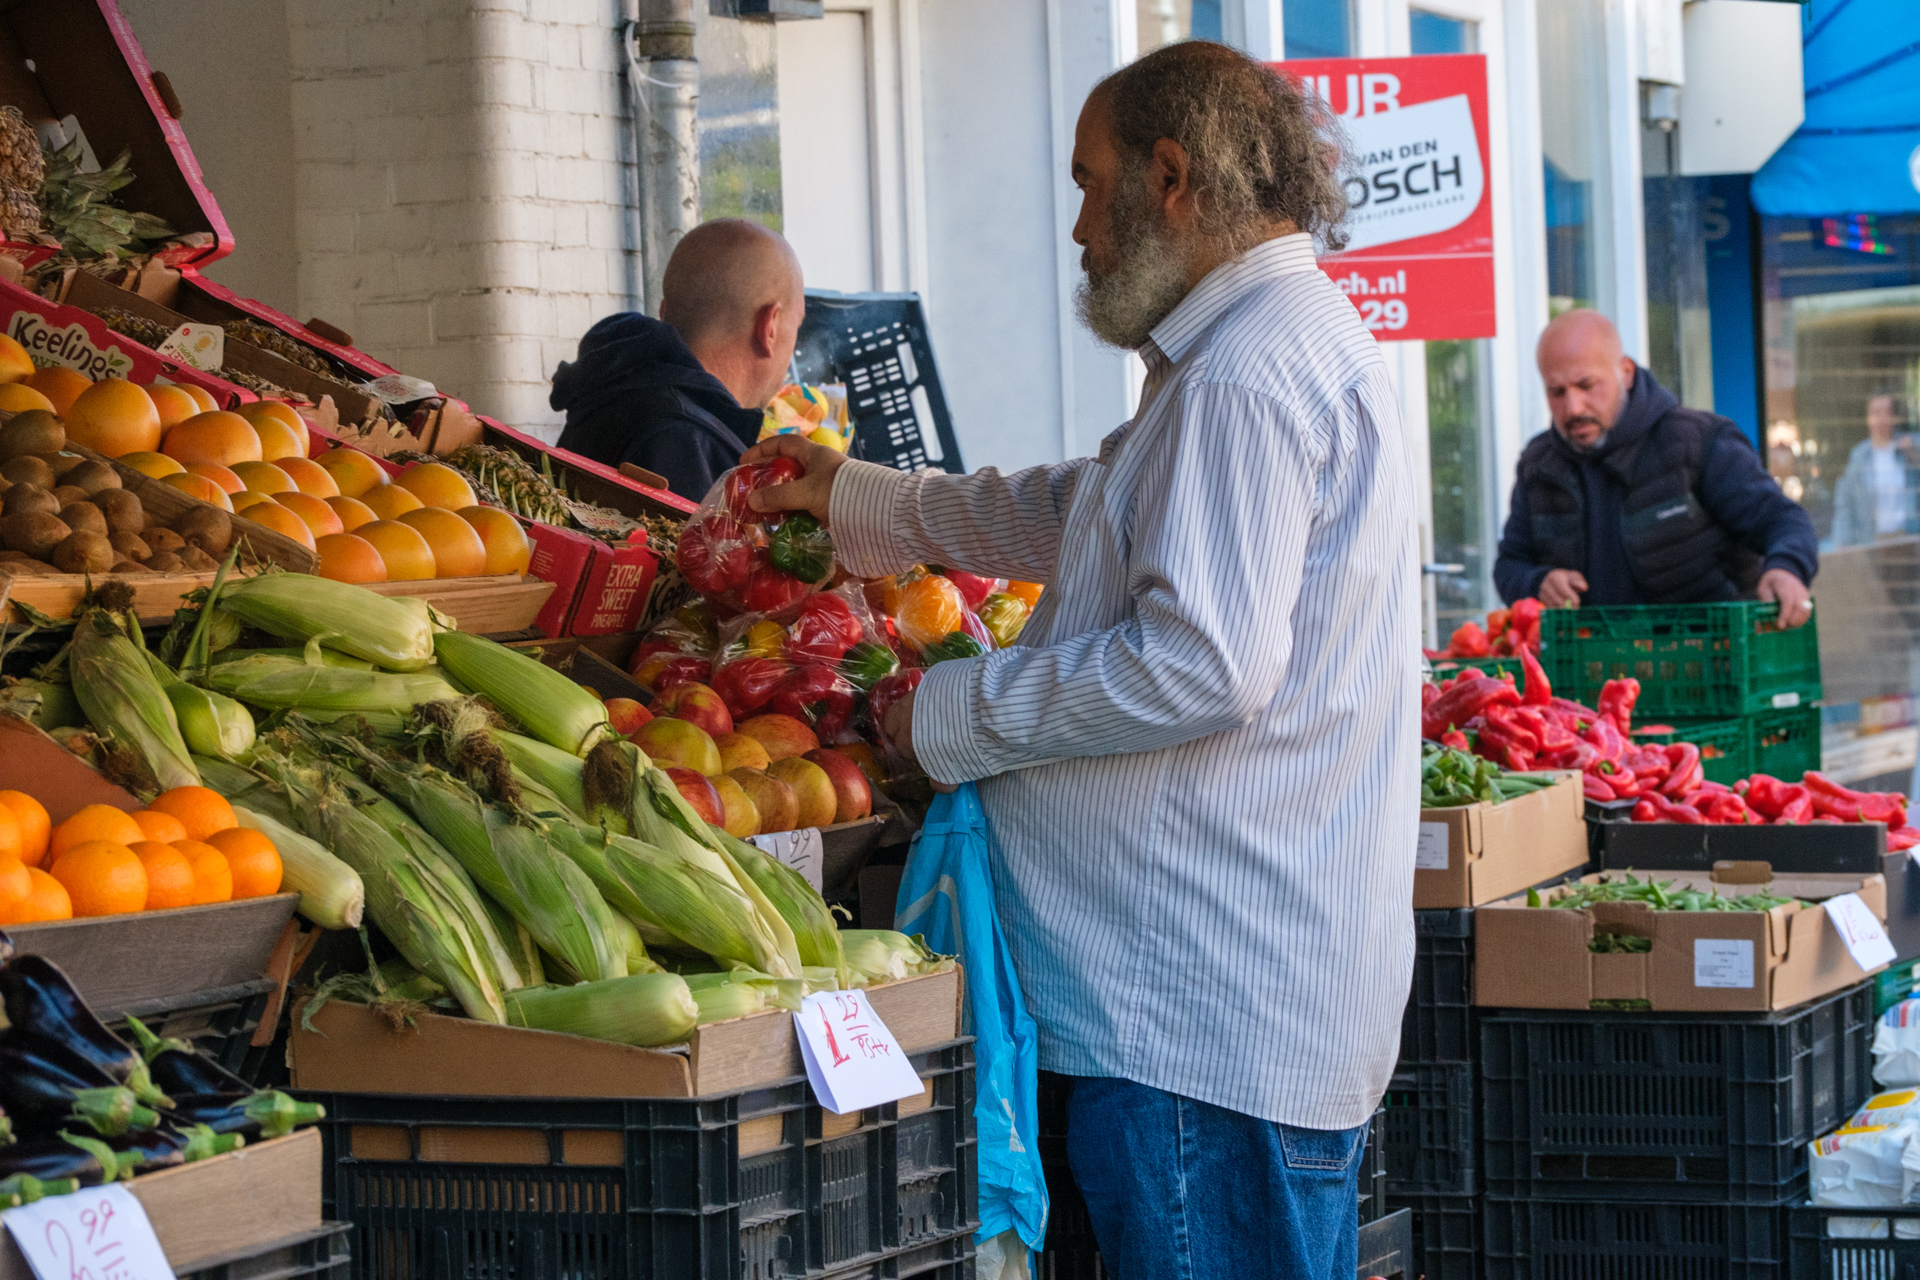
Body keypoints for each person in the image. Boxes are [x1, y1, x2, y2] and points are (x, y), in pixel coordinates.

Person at [744, 41, 1416, 1280]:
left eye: (1088, 185)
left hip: (1198, 1040)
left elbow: (1201, 663)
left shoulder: (1243, 377)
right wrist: (869, 499)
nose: (1078, 229)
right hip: (1207, 1026)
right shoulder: (1258, 347)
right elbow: (1096, 506)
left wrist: (947, 708)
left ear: (1172, 177)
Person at [1493, 310, 1818, 627]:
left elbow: (1781, 519)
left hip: (1713, 653)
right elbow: (1509, 564)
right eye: (1557, 392)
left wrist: (1786, 569)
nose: (1573, 407)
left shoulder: (1697, 441)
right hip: (1591, 658)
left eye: (1587, 385)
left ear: (1626, 372)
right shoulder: (1538, 464)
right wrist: (1538, 582)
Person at [550, 218, 805, 500]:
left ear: (663, 312)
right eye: (798, 325)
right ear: (769, 327)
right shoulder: (684, 445)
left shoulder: (615, 394)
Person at [1831, 393, 1917, 547]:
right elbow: (1845, 502)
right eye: (1876, 412)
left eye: (1887, 412)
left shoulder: (1909, 448)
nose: (1882, 418)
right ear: (1868, 419)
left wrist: (1913, 454)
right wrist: (1843, 543)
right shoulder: (1859, 456)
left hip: (1909, 540)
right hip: (1873, 543)